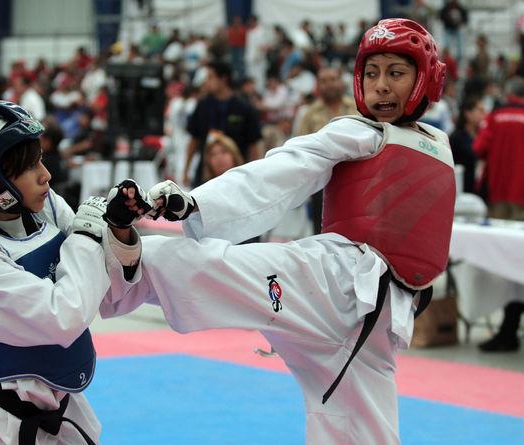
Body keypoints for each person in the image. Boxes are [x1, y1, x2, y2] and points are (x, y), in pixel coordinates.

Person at [101, 19, 455, 444]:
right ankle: (99, 264)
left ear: (426, 79)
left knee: (364, 433)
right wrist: (196, 203)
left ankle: (119, 265)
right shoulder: (361, 133)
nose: (381, 85)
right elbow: (283, 170)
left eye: (395, 73)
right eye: (371, 73)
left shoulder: (438, 144)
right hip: (332, 282)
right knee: (197, 264)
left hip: (380, 320)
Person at [0, 100, 140, 444]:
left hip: (63, 407)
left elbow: (105, 283)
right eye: (29, 167)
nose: (46, 174)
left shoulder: (41, 210)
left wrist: (117, 228)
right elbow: (64, 316)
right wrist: (89, 237)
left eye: (40, 159)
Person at [296, 65, 358, 235]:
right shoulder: (309, 114)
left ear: (340, 82)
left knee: (356, 234)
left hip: (356, 180)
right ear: (317, 86)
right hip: (322, 185)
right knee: (322, 234)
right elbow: (301, 150)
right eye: (324, 81)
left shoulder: (357, 108)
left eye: (332, 79)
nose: (329, 84)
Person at [182, 61, 262, 187]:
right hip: (205, 173)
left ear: (223, 79)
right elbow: (194, 139)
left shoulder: (243, 107)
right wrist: (186, 169)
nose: (207, 82)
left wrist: (254, 175)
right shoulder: (202, 105)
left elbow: (253, 145)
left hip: (236, 174)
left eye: (210, 77)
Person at [473, 76, 524, 220]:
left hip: (496, 189)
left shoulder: (494, 117)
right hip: (521, 193)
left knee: (497, 237)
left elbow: (479, 148)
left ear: (508, 94)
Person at [448, 95, 485, 194]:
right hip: (461, 190)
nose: (484, 115)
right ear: (468, 113)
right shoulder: (457, 137)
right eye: (480, 111)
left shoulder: (481, 136)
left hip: (478, 190)